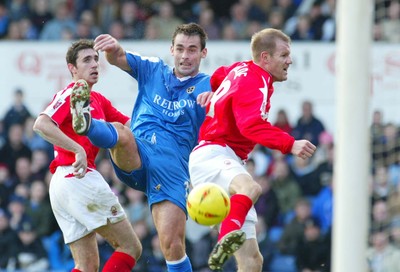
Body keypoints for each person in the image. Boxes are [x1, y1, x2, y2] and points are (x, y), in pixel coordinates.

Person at [70, 23, 212, 272]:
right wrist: (113, 48)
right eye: (180, 48)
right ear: (172, 49)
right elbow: (119, 57)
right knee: (122, 132)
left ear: (203, 53)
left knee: (173, 246)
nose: (185, 56)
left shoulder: (208, 86)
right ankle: (87, 123)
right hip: (138, 153)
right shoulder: (154, 68)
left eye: (192, 50)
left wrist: (214, 103)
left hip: (171, 169)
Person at [188, 28, 317, 271]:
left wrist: (214, 93)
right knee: (251, 187)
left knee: (253, 261)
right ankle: (227, 234)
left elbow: (218, 75)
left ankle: (229, 231)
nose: (290, 60)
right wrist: (290, 144)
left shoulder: (239, 68)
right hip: (214, 152)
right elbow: (250, 126)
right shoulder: (256, 80)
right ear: (265, 57)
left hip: (222, 157)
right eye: (284, 55)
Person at [33, 39, 142, 272]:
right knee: (130, 247)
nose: (94, 64)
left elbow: (132, 127)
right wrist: (77, 148)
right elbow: (41, 124)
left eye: (96, 59)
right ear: (72, 68)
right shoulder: (72, 92)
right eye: (86, 60)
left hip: (65, 184)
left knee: (86, 265)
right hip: (78, 178)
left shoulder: (99, 100)